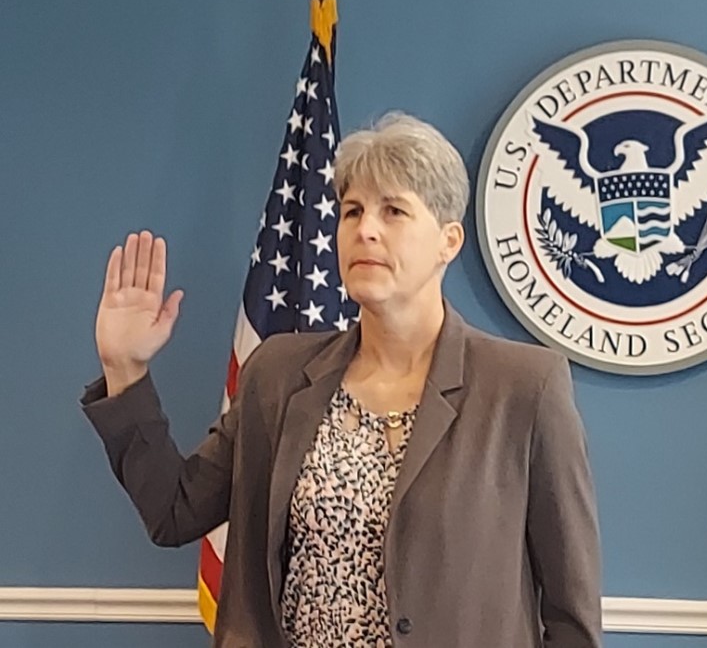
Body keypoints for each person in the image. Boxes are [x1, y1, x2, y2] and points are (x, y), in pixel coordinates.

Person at [82, 112, 603, 647]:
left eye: (394, 210)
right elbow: (175, 511)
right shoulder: (279, 375)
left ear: (449, 241)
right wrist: (126, 369)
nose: (365, 229)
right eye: (351, 211)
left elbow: (570, 615)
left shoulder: (523, 386)